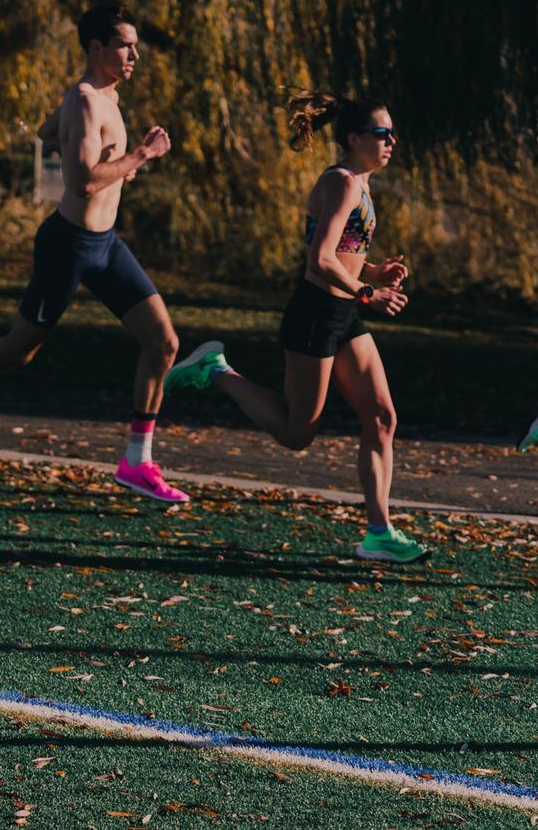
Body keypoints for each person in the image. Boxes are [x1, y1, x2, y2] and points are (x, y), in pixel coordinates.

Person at [0, 1, 189, 504]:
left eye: (136, 45)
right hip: (69, 246)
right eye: (124, 44)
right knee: (18, 351)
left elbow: (45, 135)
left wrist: (115, 163)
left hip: (106, 245)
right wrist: (140, 155)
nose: (134, 54)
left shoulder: (106, 97)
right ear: (96, 48)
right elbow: (78, 186)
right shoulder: (83, 100)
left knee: (163, 342)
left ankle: (136, 463)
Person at [163, 92, 427, 563]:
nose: (392, 141)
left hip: (343, 315)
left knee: (383, 418)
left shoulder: (361, 186)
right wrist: (369, 294)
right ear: (353, 138)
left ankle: (379, 531)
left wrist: (373, 273)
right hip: (314, 314)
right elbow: (319, 260)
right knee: (296, 433)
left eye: (392, 133)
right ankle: (217, 369)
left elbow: (343, 254)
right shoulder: (343, 183)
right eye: (381, 134)